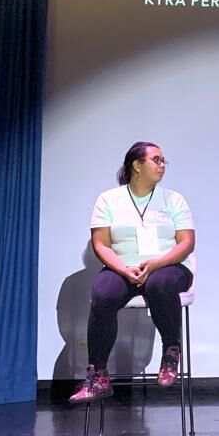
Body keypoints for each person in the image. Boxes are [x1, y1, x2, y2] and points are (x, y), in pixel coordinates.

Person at [69, 142, 195, 403]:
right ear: (137, 165)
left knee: (159, 283)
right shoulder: (109, 200)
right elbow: (101, 244)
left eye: (164, 161)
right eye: (156, 160)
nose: (162, 165)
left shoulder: (173, 199)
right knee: (103, 293)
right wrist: (124, 270)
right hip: (123, 267)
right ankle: (98, 375)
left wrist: (155, 264)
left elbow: (186, 243)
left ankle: (171, 352)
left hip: (168, 266)